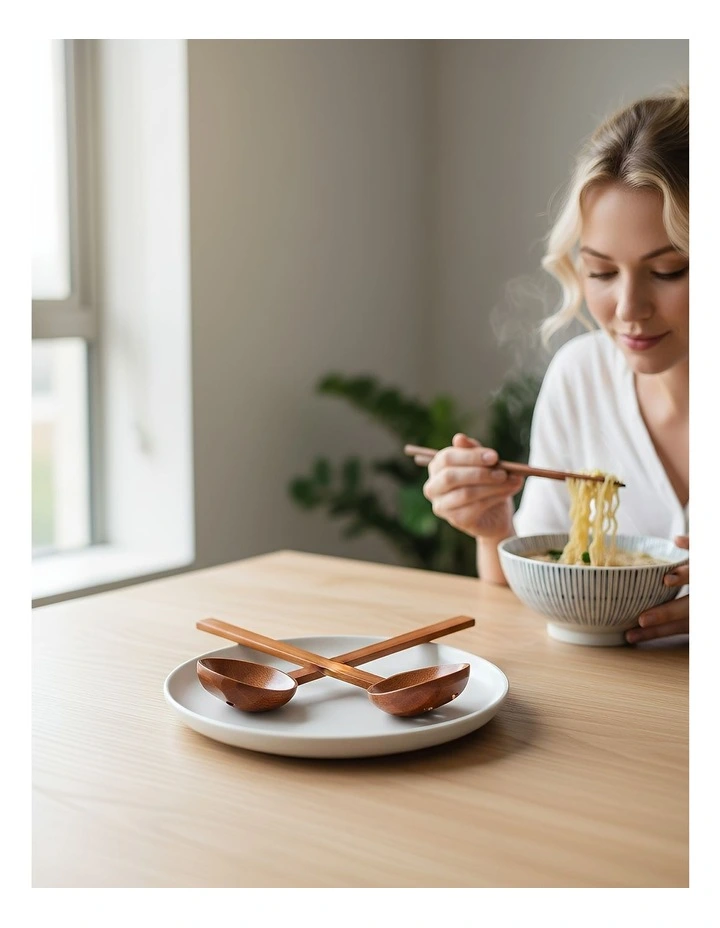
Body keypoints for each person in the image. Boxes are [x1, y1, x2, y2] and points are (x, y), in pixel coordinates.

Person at [421, 84, 689, 645]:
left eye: (668, 271)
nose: (628, 308)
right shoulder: (582, 377)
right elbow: (539, 587)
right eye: (601, 272)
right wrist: (494, 529)